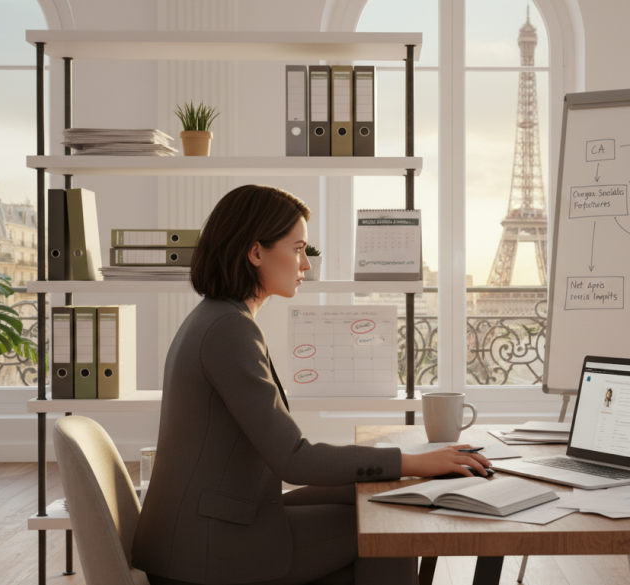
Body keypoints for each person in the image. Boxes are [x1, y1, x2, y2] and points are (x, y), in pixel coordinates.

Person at [132, 185, 490, 585]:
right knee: (389, 525)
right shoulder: (228, 330)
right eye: (298, 248)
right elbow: (295, 460)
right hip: (207, 550)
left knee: (378, 496)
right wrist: (413, 460)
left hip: (204, 529)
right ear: (256, 253)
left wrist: (408, 466)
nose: (305, 264)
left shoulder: (218, 318)